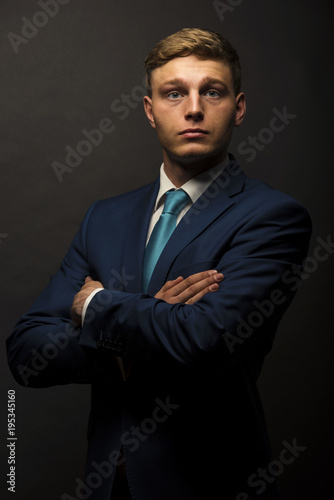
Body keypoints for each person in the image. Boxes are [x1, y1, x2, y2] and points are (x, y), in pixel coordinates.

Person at [7, 28, 312, 500]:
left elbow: (203, 338)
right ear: (150, 111)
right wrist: (136, 338)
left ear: (240, 106)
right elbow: (27, 351)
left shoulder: (273, 217)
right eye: (174, 93)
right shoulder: (103, 217)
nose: (193, 108)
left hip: (211, 485)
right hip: (108, 487)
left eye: (212, 91)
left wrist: (97, 305)